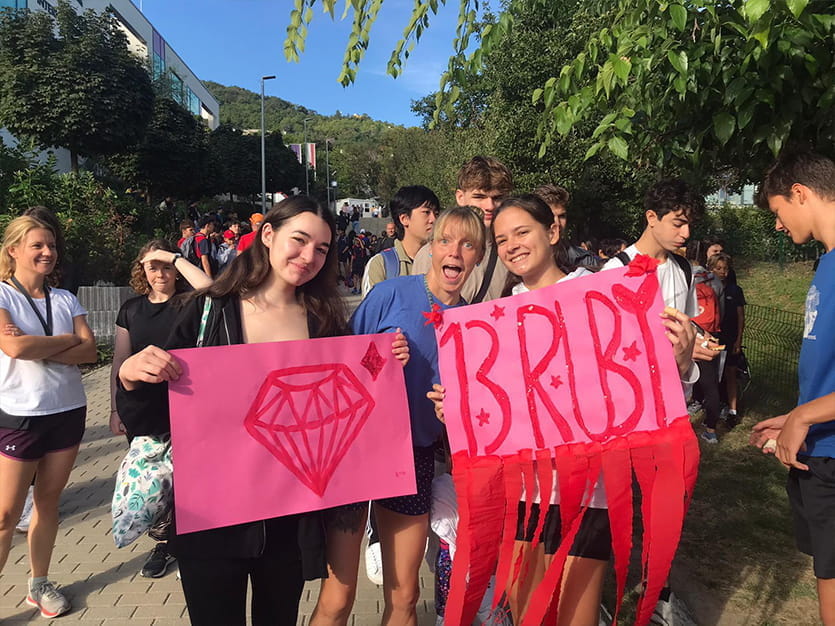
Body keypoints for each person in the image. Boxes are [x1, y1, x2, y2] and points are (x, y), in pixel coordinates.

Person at [117, 197, 408, 625]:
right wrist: (130, 375)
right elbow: (153, 418)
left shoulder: (322, 318)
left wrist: (384, 360)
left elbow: (351, 394)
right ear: (268, 236)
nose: (309, 256)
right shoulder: (208, 312)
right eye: (300, 240)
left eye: (322, 249)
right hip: (211, 520)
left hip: (287, 524)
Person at [428, 197, 696, 623]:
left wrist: (679, 362)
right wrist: (459, 411)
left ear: (551, 233)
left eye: (522, 232)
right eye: (501, 239)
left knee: (575, 617)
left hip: (590, 492)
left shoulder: (602, 293)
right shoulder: (492, 319)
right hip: (522, 494)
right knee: (529, 613)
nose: (512, 245)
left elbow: (645, 388)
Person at [312, 206, 485, 626]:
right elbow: (340, 367)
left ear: (479, 255)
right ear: (432, 245)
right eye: (446, 240)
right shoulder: (390, 294)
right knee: (338, 598)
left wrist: (457, 411)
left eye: (468, 244)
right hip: (354, 454)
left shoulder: (473, 326)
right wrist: (380, 359)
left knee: (405, 596)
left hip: (413, 458)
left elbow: (475, 410)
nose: (455, 252)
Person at [750, 151, 835, 626]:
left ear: (800, 193)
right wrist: (796, 414)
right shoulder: (826, 264)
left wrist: (804, 418)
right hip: (819, 449)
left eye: (778, 211)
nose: (779, 226)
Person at [0, 215, 97, 618]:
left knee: (48, 501)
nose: (47, 252)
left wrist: (38, 345)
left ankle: (39, 584)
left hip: (68, 411)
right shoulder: (3, 295)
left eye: (52, 245)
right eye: (38, 245)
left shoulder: (65, 299)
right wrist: (66, 342)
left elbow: (91, 352)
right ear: (14, 250)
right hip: (19, 415)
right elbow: (15, 350)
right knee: (5, 514)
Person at [109, 239, 211, 579]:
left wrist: (175, 257)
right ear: (142, 271)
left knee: (189, 483)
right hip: (144, 408)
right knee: (156, 483)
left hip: (188, 404)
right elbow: (119, 361)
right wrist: (113, 407)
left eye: (165, 266)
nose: (160, 273)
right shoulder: (131, 308)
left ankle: (187, 546)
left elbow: (212, 287)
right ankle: (164, 543)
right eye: (152, 266)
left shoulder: (189, 302)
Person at [413, 156, 514, 303]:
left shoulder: (512, 252)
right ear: (460, 197)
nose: (490, 206)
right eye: (479, 196)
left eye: (497, 198)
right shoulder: (429, 254)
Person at [361, 186, 440, 296]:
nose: (433, 220)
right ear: (404, 219)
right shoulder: (381, 265)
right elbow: (372, 311)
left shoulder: (443, 261)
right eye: (426, 212)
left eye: (436, 214)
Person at [709, 252, 745, 427]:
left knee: (731, 372)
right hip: (714, 338)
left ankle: (732, 411)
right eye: (718, 268)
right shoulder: (707, 290)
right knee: (714, 373)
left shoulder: (735, 290)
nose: (722, 272)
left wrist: (738, 340)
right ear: (711, 269)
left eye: (726, 269)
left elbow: (740, 317)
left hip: (730, 338)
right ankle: (714, 407)